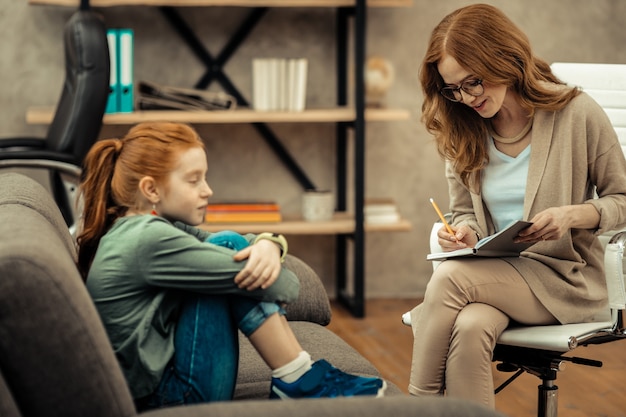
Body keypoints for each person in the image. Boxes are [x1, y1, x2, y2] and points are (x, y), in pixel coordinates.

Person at [405, 3, 626, 409]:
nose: (466, 97)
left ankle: (413, 407)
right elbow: (462, 213)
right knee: (470, 327)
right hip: (497, 273)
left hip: (565, 279)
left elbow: (623, 200)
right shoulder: (462, 125)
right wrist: (466, 231)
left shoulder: (576, 113)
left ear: (504, 59)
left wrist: (573, 215)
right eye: (453, 89)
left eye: (473, 83)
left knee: (450, 279)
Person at [76, 121, 385, 410]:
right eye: (193, 180)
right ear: (151, 190)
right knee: (227, 246)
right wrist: (264, 255)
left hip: (160, 389)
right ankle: (298, 379)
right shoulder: (148, 239)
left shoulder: (140, 225)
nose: (207, 190)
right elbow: (286, 288)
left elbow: (240, 240)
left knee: (226, 241)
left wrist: (268, 243)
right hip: (171, 399)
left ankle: (298, 376)